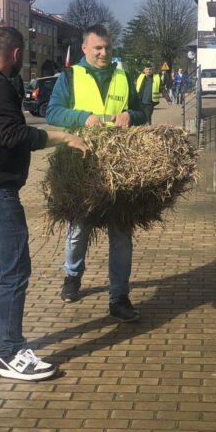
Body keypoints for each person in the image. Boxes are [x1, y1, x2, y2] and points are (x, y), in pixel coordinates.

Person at [0, 26, 88, 382]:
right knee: (15, 270)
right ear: (16, 55)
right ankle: (11, 353)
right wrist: (62, 137)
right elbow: (14, 136)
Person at [46, 24, 147, 322]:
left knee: (122, 232)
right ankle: (72, 276)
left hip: (119, 164)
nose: (104, 53)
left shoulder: (123, 76)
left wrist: (132, 115)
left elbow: (141, 113)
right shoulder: (70, 77)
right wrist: (81, 116)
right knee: (79, 229)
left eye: (108, 48)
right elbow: (52, 112)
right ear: (85, 49)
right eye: (98, 48)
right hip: (81, 164)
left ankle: (119, 297)